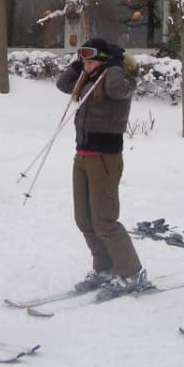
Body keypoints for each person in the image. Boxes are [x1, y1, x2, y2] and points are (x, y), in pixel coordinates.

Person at [56, 38, 146, 298]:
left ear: (107, 60)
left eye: (92, 59)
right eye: (84, 59)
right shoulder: (88, 78)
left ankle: (132, 272)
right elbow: (63, 84)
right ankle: (105, 267)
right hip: (82, 154)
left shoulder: (119, 79)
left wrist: (115, 64)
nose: (87, 64)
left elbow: (118, 91)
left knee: (104, 220)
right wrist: (78, 65)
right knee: (84, 219)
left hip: (105, 158)